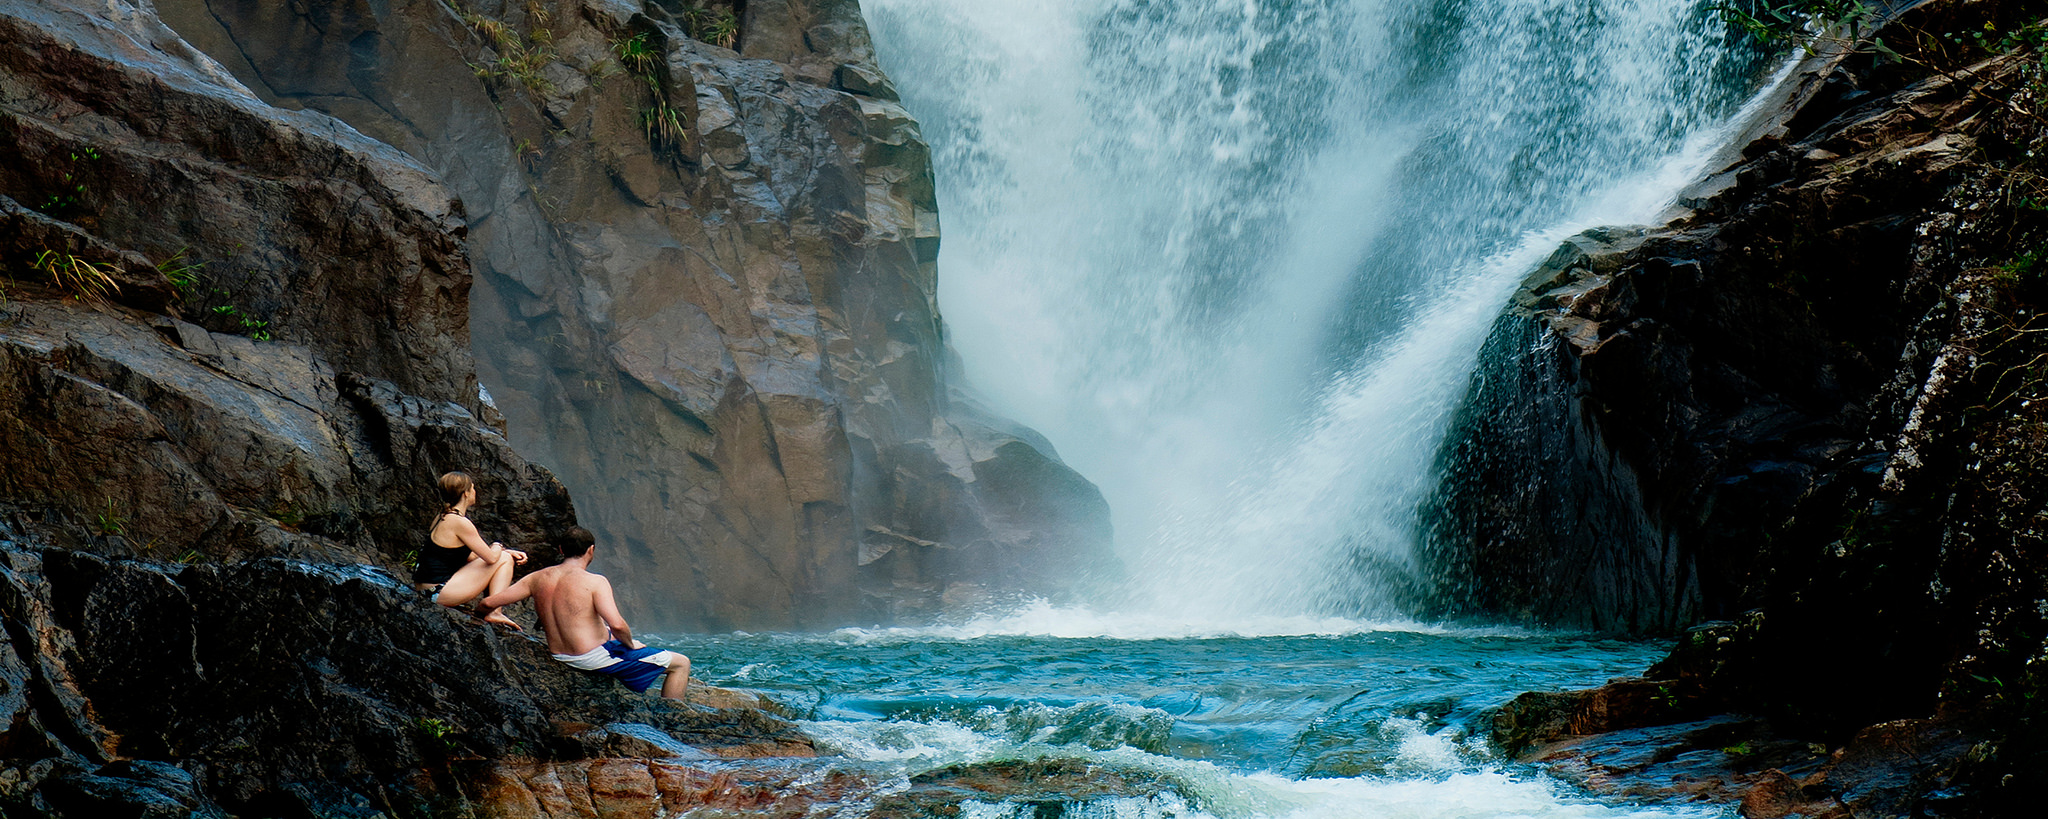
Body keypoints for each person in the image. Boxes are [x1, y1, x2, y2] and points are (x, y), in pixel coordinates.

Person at [477, 527, 691, 699]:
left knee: (621, 638)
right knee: (681, 663)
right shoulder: (595, 581)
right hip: (591, 658)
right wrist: (628, 644)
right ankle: (671, 717)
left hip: (559, 653)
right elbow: (617, 624)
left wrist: (484, 616)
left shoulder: (537, 578)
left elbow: (487, 603)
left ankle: (630, 655)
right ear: (591, 550)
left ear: (561, 550)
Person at [416, 471, 527, 629]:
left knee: (504, 556)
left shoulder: (442, 516)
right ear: (466, 493)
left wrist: (505, 552)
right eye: (473, 488)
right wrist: (498, 545)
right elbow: (491, 558)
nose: (475, 492)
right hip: (437, 592)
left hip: (426, 589)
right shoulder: (460, 522)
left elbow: (471, 556)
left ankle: (493, 611)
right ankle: (494, 611)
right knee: (504, 559)